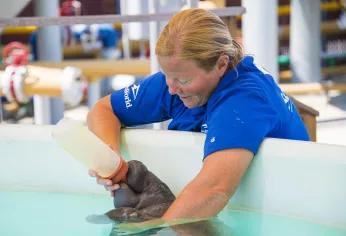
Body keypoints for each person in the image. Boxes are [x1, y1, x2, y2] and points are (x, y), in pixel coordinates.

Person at [87, 8, 309, 221]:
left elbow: (213, 191)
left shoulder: (244, 99)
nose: (171, 89)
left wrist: (152, 232)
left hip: (289, 206)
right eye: (166, 75)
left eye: (183, 80)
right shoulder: (177, 77)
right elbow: (103, 110)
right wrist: (110, 162)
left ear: (221, 64)